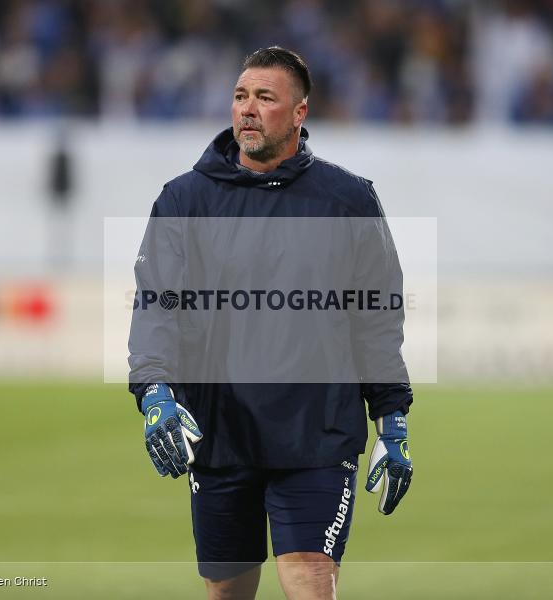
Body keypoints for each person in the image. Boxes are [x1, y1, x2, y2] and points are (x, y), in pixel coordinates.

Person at [128, 47, 414, 600]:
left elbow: (376, 318)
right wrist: (155, 391)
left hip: (316, 435)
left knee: (309, 576)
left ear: (300, 113)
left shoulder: (347, 200)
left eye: (264, 98)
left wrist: (392, 417)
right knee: (227, 591)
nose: (248, 110)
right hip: (219, 432)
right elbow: (157, 308)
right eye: (240, 97)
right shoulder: (185, 200)